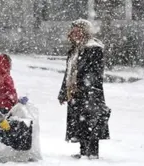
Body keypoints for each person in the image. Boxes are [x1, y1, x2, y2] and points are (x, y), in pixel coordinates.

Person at [58, 19, 111, 160]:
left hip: (90, 92)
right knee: (79, 122)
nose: (74, 33)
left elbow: (94, 72)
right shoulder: (74, 50)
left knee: (91, 121)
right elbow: (68, 72)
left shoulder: (93, 48)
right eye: (73, 30)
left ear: (85, 31)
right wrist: (63, 92)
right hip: (75, 92)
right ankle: (83, 152)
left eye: (77, 30)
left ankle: (92, 153)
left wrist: (86, 86)